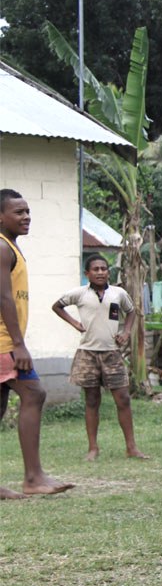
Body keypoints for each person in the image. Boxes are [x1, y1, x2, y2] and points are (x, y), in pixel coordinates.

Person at [0, 189, 75, 499]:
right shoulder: (2, 248)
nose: (26, 217)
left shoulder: (10, 247)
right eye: (18, 212)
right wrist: (18, 344)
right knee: (34, 393)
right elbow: (3, 297)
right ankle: (33, 478)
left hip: (7, 341)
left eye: (28, 211)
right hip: (4, 344)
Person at [52, 255, 148, 461]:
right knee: (92, 400)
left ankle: (131, 448)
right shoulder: (79, 293)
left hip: (112, 353)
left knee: (123, 399)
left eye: (104, 268)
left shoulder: (118, 293)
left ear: (108, 272)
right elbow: (57, 306)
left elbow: (131, 312)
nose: (100, 272)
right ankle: (93, 448)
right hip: (87, 353)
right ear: (87, 273)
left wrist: (126, 332)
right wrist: (74, 323)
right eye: (95, 269)